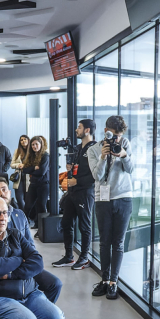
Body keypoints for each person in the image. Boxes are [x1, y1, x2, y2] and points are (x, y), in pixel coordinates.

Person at [0, 177, 63, 304]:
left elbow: (30, 244)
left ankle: (38, 311)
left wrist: (28, 261)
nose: (2, 194)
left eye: (4, 189)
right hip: (5, 267)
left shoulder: (19, 214)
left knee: (55, 284)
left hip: (24, 265)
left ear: (9, 192)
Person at [87, 116, 134, 301]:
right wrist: (103, 157)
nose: (117, 139)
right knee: (105, 242)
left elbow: (131, 169)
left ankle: (114, 282)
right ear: (106, 131)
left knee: (118, 242)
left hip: (123, 197)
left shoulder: (125, 144)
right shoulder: (93, 149)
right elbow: (97, 176)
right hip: (103, 199)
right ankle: (104, 280)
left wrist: (124, 155)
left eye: (119, 135)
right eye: (114, 135)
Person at [53, 119, 97, 270]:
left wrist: (77, 181)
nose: (77, 130)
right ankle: (68, 256)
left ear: (87, 130)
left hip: (85, 192)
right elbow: (77, 168)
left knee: (84, 226)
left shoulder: (95, 148)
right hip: (72, 192)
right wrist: (70, 168)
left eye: (79, 127)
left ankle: (84, 257)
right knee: (66, 223)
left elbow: (96, 174)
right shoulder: (78, 148)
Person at [22, 135, 50, 221]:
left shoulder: (45, 156)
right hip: (33, 184)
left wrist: (30, 171)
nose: (34, 146)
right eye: (33, 144)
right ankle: (24, 225)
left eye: (36, 144)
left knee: (41, 206)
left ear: (41, 144)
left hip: (43, 185)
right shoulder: (31, 156)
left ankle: (42, 227)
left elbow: (41, 172)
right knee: (27, 206)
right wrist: (34, 168)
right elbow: (24, 170)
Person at [11, 135, 30, 213]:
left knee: (28, 199)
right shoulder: (17, 151)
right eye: (21, 140)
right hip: (19, 178)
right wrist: (18, 165)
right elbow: (12, 164)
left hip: (29, 177)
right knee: (19, 199)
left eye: (25, 139)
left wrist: (25, 165)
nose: (23, 141)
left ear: (28, 140)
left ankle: (27, 215)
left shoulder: (32, 151)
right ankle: (23, 214)